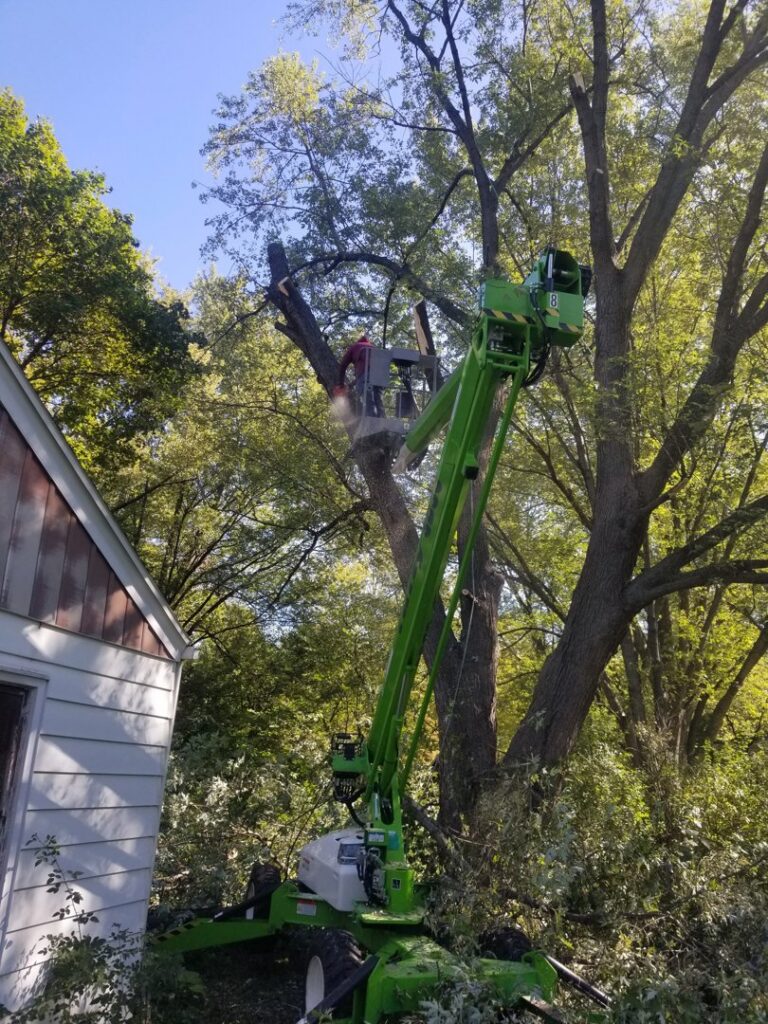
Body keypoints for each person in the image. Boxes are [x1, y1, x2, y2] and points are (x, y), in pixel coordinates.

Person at [336, 335, 385, 417]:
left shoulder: (355, 347)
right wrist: (351, 384)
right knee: (378, 397)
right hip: (380, 375)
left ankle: (371, 419)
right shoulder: (373, 347)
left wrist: (341, 384)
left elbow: (343, 365)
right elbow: (367, 372)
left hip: (365, 376)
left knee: (367, 397)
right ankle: (382, 418)